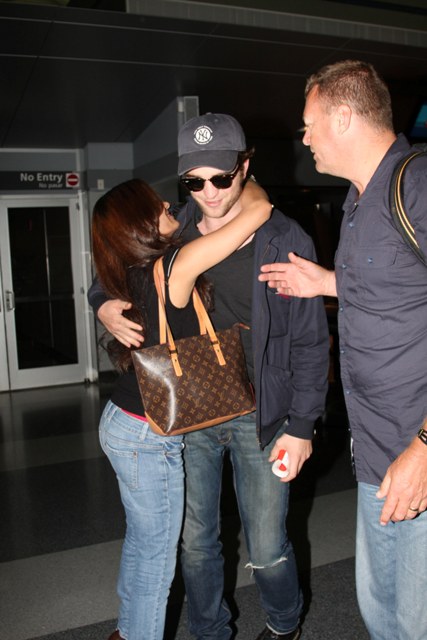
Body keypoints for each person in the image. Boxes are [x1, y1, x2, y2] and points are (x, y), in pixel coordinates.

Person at [89, 113, 330, 640]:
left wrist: (302, 425)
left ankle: (284, 622)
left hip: (262, 414)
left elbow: (311, 342)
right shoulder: (172, 227)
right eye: (194, 182)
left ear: (244, 166)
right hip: (189, 410)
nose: (209, 193)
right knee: (196, 543)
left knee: (267, 546)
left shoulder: (284, 238)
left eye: (221, 177)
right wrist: (102, 301)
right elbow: (117, 255)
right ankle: (210, 631)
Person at [259, 60, 427, 640]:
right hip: (376, 452)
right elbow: (399, 287)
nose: (303, 138)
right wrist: (327, 282)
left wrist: (425, 447)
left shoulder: (417, 185)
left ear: (346, 118)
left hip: (417, 451)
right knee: (381, 614)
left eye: (309, 124)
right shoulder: (357, 200)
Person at [91, 177, 271, 640]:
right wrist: (243, 179)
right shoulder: (175, 264)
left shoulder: (130, 268)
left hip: (124, 420)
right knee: (156, 559)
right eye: (157, 206)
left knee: (142, 541)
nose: (169, 206)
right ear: (141, 223)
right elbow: (258, 212)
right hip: (147, 433)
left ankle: (128, 631)